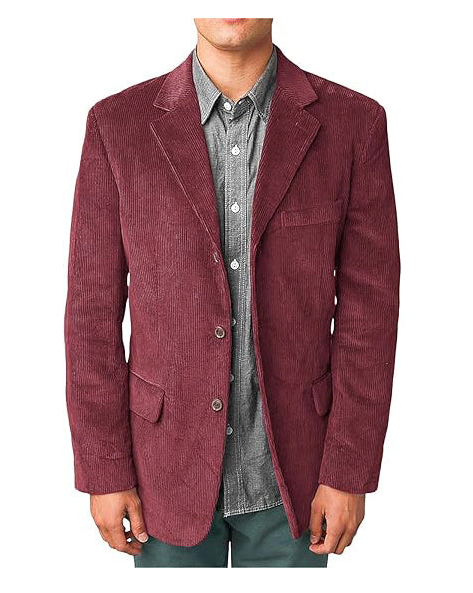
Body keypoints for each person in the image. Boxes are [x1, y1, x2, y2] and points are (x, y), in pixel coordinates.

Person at [64, 17, 400, 568]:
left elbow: (371, 314)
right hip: (160, 472)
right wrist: (104, 468)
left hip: (298, 476)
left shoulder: (354, 124)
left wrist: (349, 469)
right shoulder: (116, 125)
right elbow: (90, 314)